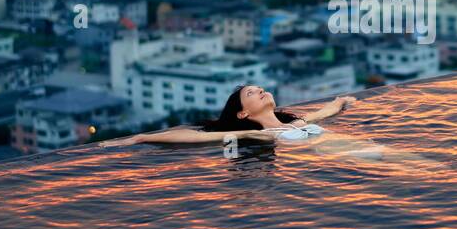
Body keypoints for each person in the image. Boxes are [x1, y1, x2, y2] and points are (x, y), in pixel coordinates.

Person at [108, 86, 357, 146]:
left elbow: (324, 112)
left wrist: (341, 100)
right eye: (251, 92)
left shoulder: (298, 122)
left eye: (260, 88)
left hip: (351, 145)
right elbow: (191, 136)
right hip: (334, 156)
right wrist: (140, 138)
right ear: (243, 112)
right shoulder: (256, 134)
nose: (260, 90)